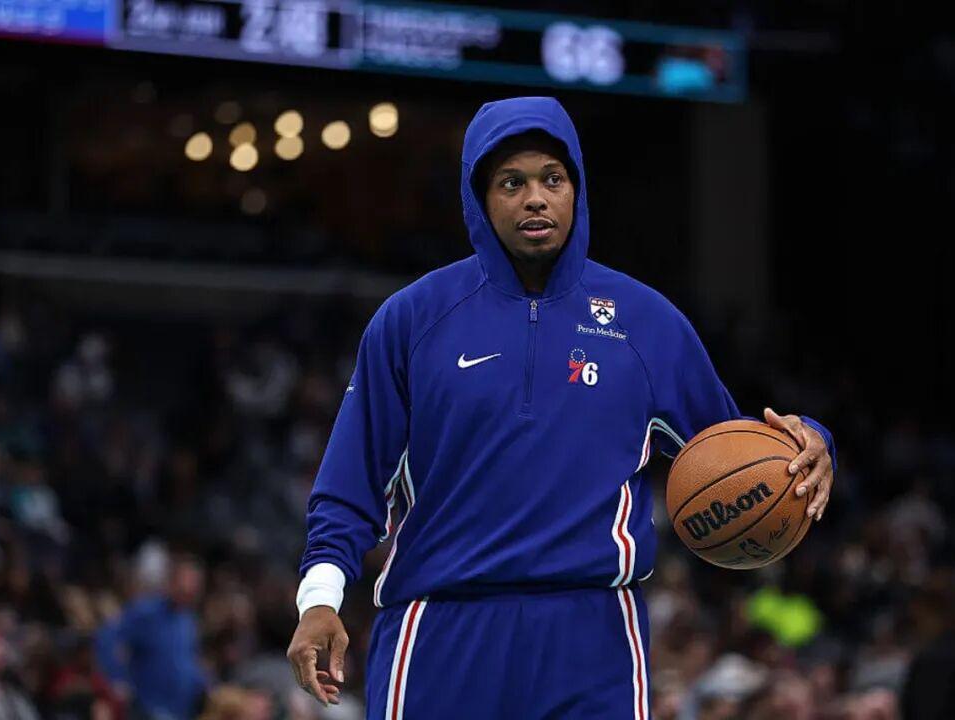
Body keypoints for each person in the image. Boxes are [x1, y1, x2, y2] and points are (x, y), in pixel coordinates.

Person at [286, 96, 837, 718]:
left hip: (595, 633)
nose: (535, 199)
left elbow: (735, 454)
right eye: (511, 183)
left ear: (577, 188)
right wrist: (319, 598)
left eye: (553, 179)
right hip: (441, 626)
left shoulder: (647, 322)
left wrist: (811, 442)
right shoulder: (411, 318)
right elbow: (350, 484)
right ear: (478, 198)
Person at [96, 551, 209, 719]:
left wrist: (205, 685)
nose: (189, 588)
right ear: (171, 582)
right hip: (149, 708)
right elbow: (106, 638)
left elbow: (189, 661)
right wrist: (117, 678)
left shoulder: (188, 621)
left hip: (180, 710)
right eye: (185, 581)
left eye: (194, 583)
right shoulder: (146, 611)